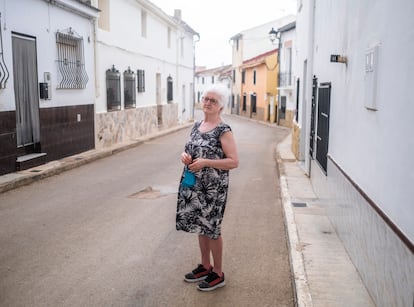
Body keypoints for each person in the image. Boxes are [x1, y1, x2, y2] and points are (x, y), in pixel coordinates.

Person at [176, 84, 239, 291]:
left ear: (220, 106)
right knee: (200, 225)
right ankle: (205, 265)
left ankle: (218, 273)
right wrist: (185, 157)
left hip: (213, 189)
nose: (208, 103)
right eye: (205, 99)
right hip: (194, 185)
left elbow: (233, 162)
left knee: (212, 229)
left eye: (213, 100)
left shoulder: (223, 130)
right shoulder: (196, 126)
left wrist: (206, 162)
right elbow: (189, 151)